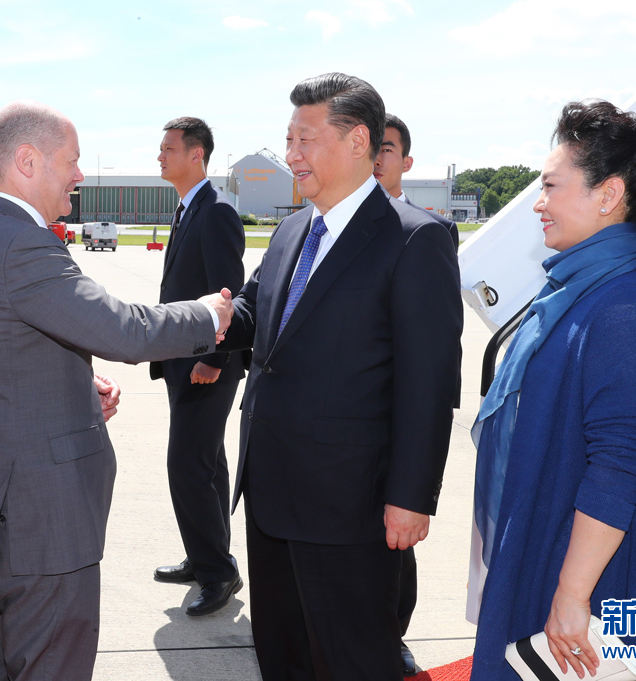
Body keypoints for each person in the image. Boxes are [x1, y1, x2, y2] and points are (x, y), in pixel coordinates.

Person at [0, 101, 233, 681]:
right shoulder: (23, 244)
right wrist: (205, 313)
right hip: (44, 518)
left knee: (12, 661)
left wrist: (72, 381)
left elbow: (1, 355)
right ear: (26, 161)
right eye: (70, 162)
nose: (79, 175)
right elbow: (124, 327)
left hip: (12, 508)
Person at [222, 73, 463, 681]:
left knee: (353, 659)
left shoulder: (415, 239)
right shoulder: (291, 231)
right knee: (283, 656)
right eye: (288, 139)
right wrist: (200, 318)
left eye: (305, 139)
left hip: (351, 509)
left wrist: (411, 497)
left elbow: (428, 384)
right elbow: (257, 318)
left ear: (359, 142)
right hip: (271, 494)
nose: (291, 155)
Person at [468, 99, 636, 681]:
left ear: (608, 195)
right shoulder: (587, 289)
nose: (539, 203)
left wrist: (572, 598)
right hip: (562, 554)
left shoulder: (623, 304)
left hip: (595, 588)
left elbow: (618, 466)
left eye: (550, 186)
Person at [371, 111, 462, 676]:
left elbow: (436, 342)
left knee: (395, 545)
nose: (377, 157)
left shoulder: (427, 230)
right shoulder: (318, 224)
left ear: (406, 161)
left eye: (387, 148)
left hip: (397, 414)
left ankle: (394, 632)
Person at [150, 117, 247, 616]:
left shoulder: (215, 212)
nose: (159, 156)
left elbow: (229, 291)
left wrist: (213, 358)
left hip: (205, 366)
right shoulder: (188, 210)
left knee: (186, 465)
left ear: (197, 155)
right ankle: (207, 554)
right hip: (182, 363)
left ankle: (218, 572)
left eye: (168, 149)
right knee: (208, 463)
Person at [374, 113, 460, 252]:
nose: (375, 160)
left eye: (386, 150)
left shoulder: (438, 228)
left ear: (406, 164)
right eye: (369, 150)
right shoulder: (336, 224)